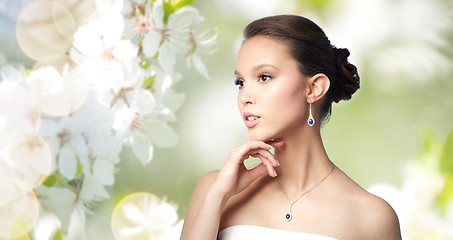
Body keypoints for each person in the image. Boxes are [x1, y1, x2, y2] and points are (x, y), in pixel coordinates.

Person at [180, 15, 401, 240]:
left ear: (314, 88)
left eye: (264, 77)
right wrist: (217, 196)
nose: (245, 96)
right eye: (240, 82)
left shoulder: (371, 217)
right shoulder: (215, 189)